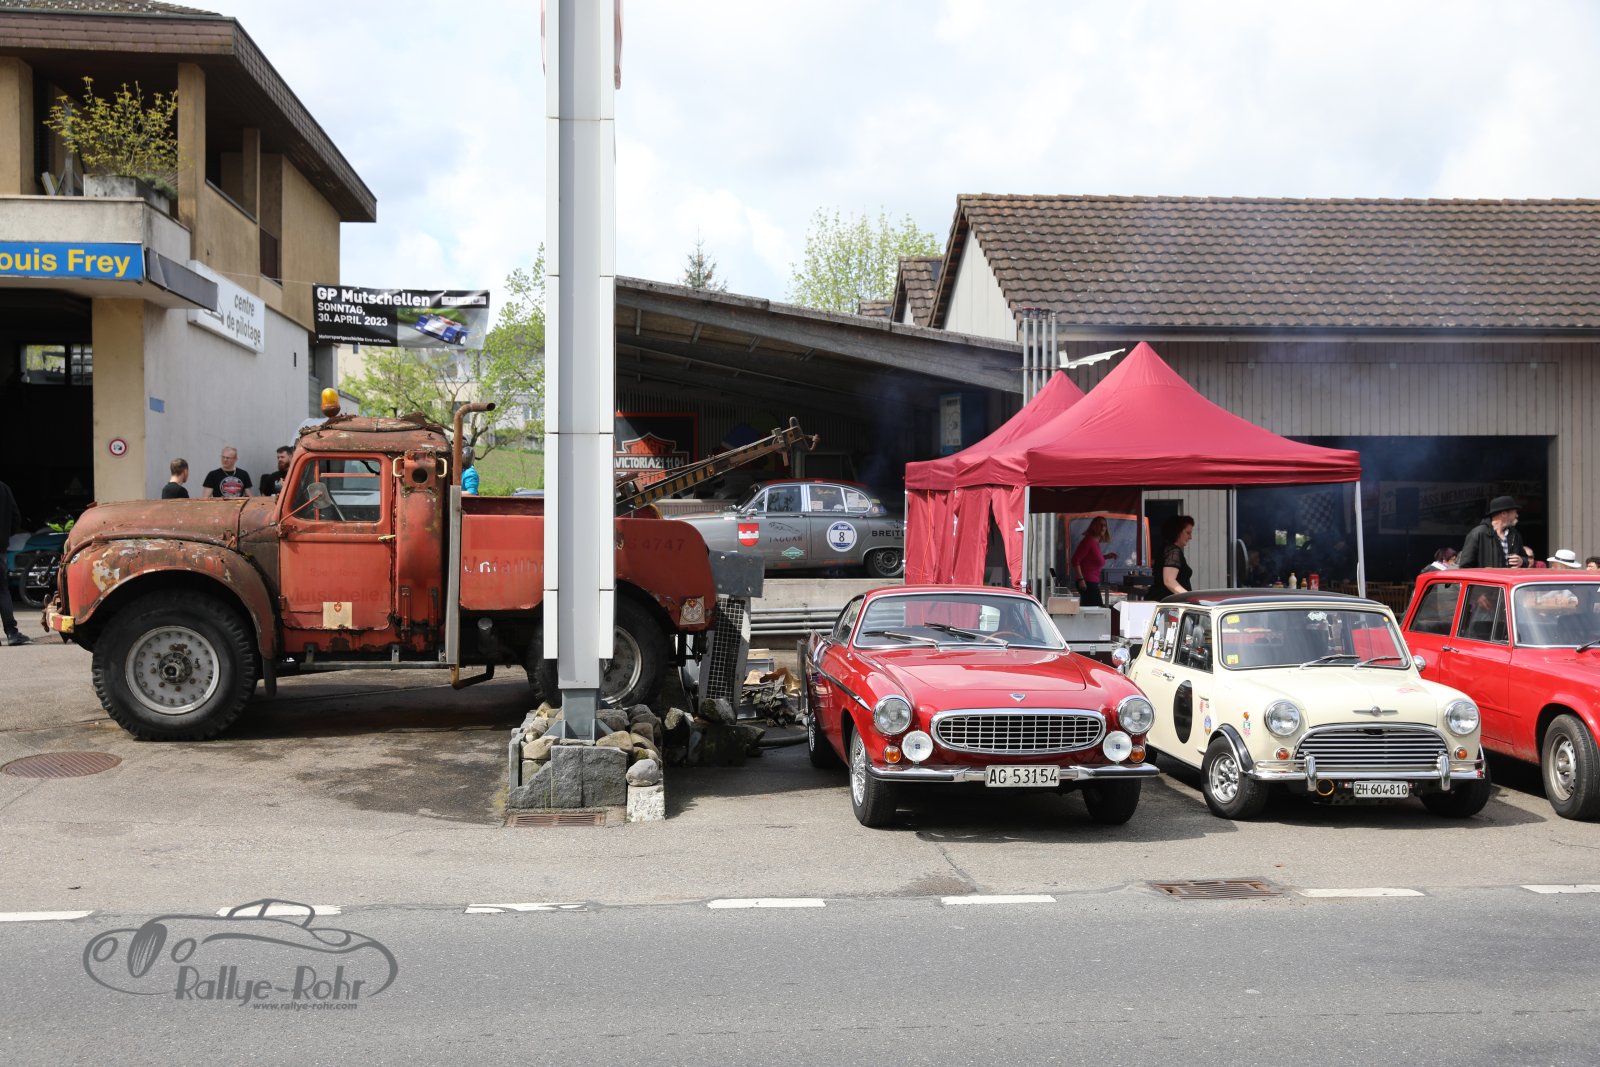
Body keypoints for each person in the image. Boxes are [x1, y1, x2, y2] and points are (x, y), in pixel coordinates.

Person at [1457, 495, 1531, 569]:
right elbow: (1465, 566)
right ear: (1504, 514)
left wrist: (1522, 561)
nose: (1517, 515)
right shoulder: (1478, 533)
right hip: (1486, 577)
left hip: (1509, 577)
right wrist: (1483, 572)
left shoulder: (1515, 534)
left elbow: (1526, 560)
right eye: (1515, 512)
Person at [0, 479, 29, 645]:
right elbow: (15, 516)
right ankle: (11, 633)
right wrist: (4, 536)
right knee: (2, 590)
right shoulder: (3, 488)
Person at [1070, 515, 1119, 608]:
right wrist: (1081, 579)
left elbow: (1090, 559)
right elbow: (1075, 560)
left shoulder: (1094, 542)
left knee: (1092, 609)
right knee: (1096, 610)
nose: (1103, 527)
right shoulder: (1088, 541)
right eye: (1100, 525)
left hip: (1091, 582)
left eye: (1104, 525)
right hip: (1087, 582)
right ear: (1093, 526)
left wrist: (1106, 557)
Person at [1150, 514, 1195, 599]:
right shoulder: (1173, 551)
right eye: (1187, 533)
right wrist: (1190, 598)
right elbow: (1169, 581)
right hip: (1168, 602)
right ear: (1178, 532)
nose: (1190, 537)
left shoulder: (1166, 549)